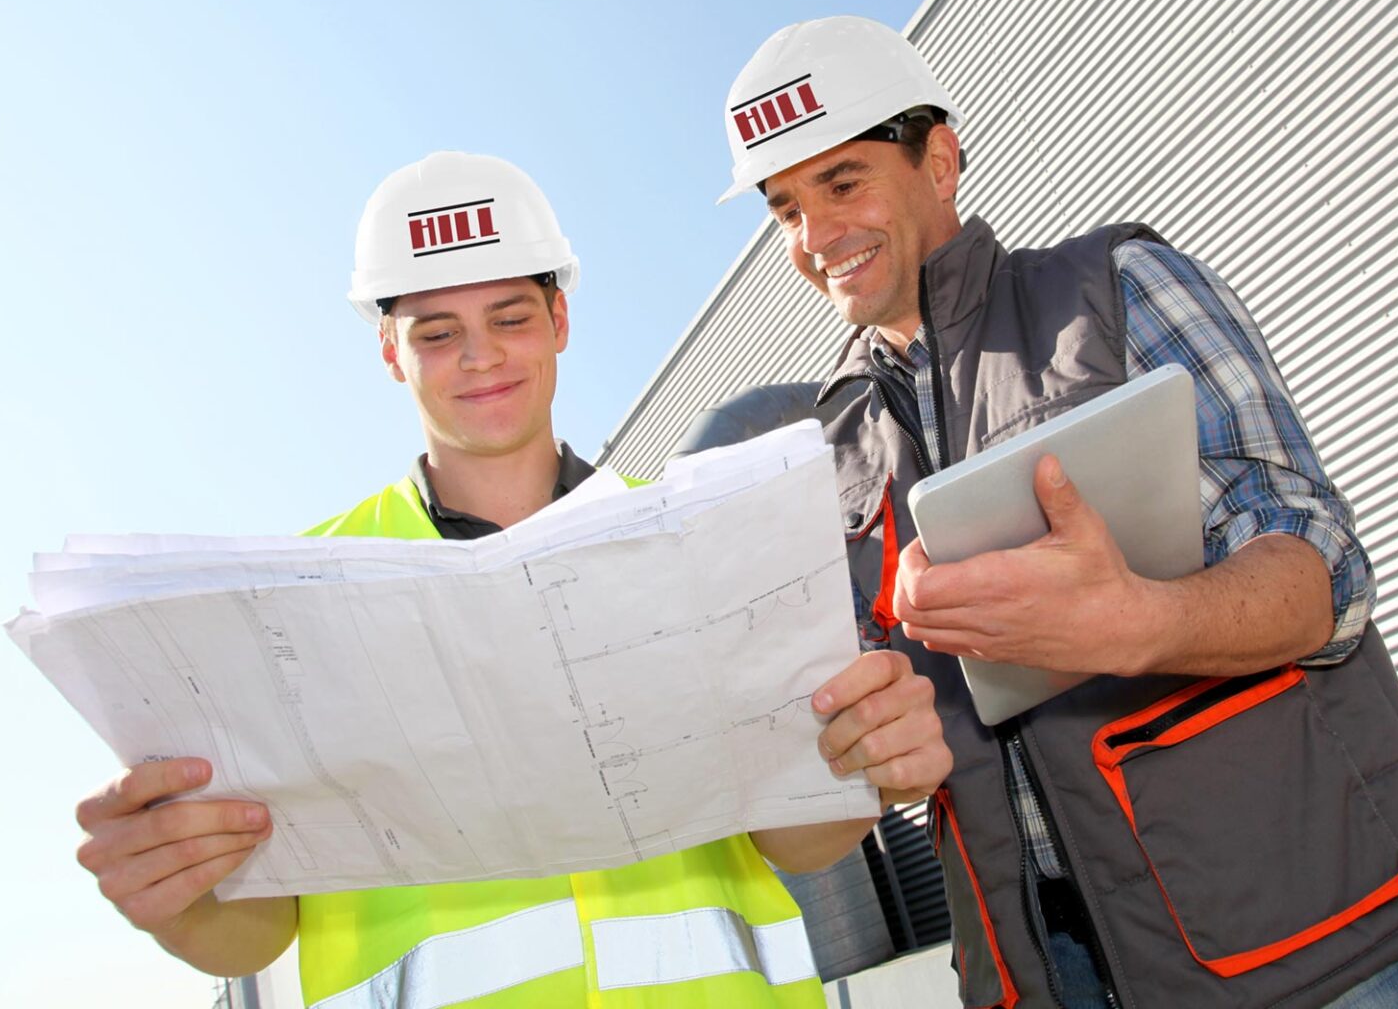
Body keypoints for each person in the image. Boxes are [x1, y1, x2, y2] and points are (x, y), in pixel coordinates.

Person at [719, 18, 1398, 1008]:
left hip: (1310, 944)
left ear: (941, 159)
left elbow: (1323, 565)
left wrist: (1144, 618)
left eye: (843, 182)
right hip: (1053, 974)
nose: (815, 236)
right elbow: (877, 742)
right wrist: (859, 752)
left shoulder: (1114, 292)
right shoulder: (835, 455)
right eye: (784, 207)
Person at [72, 150, 952, 1007]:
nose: (481, 356)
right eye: (437, 332)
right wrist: (175, 898)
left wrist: (868, 765)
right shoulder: (290, 605)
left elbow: (794, 839)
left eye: (510, 318)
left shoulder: (699, 538)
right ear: (390, 352)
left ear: (559, 321)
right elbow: (259, 932)